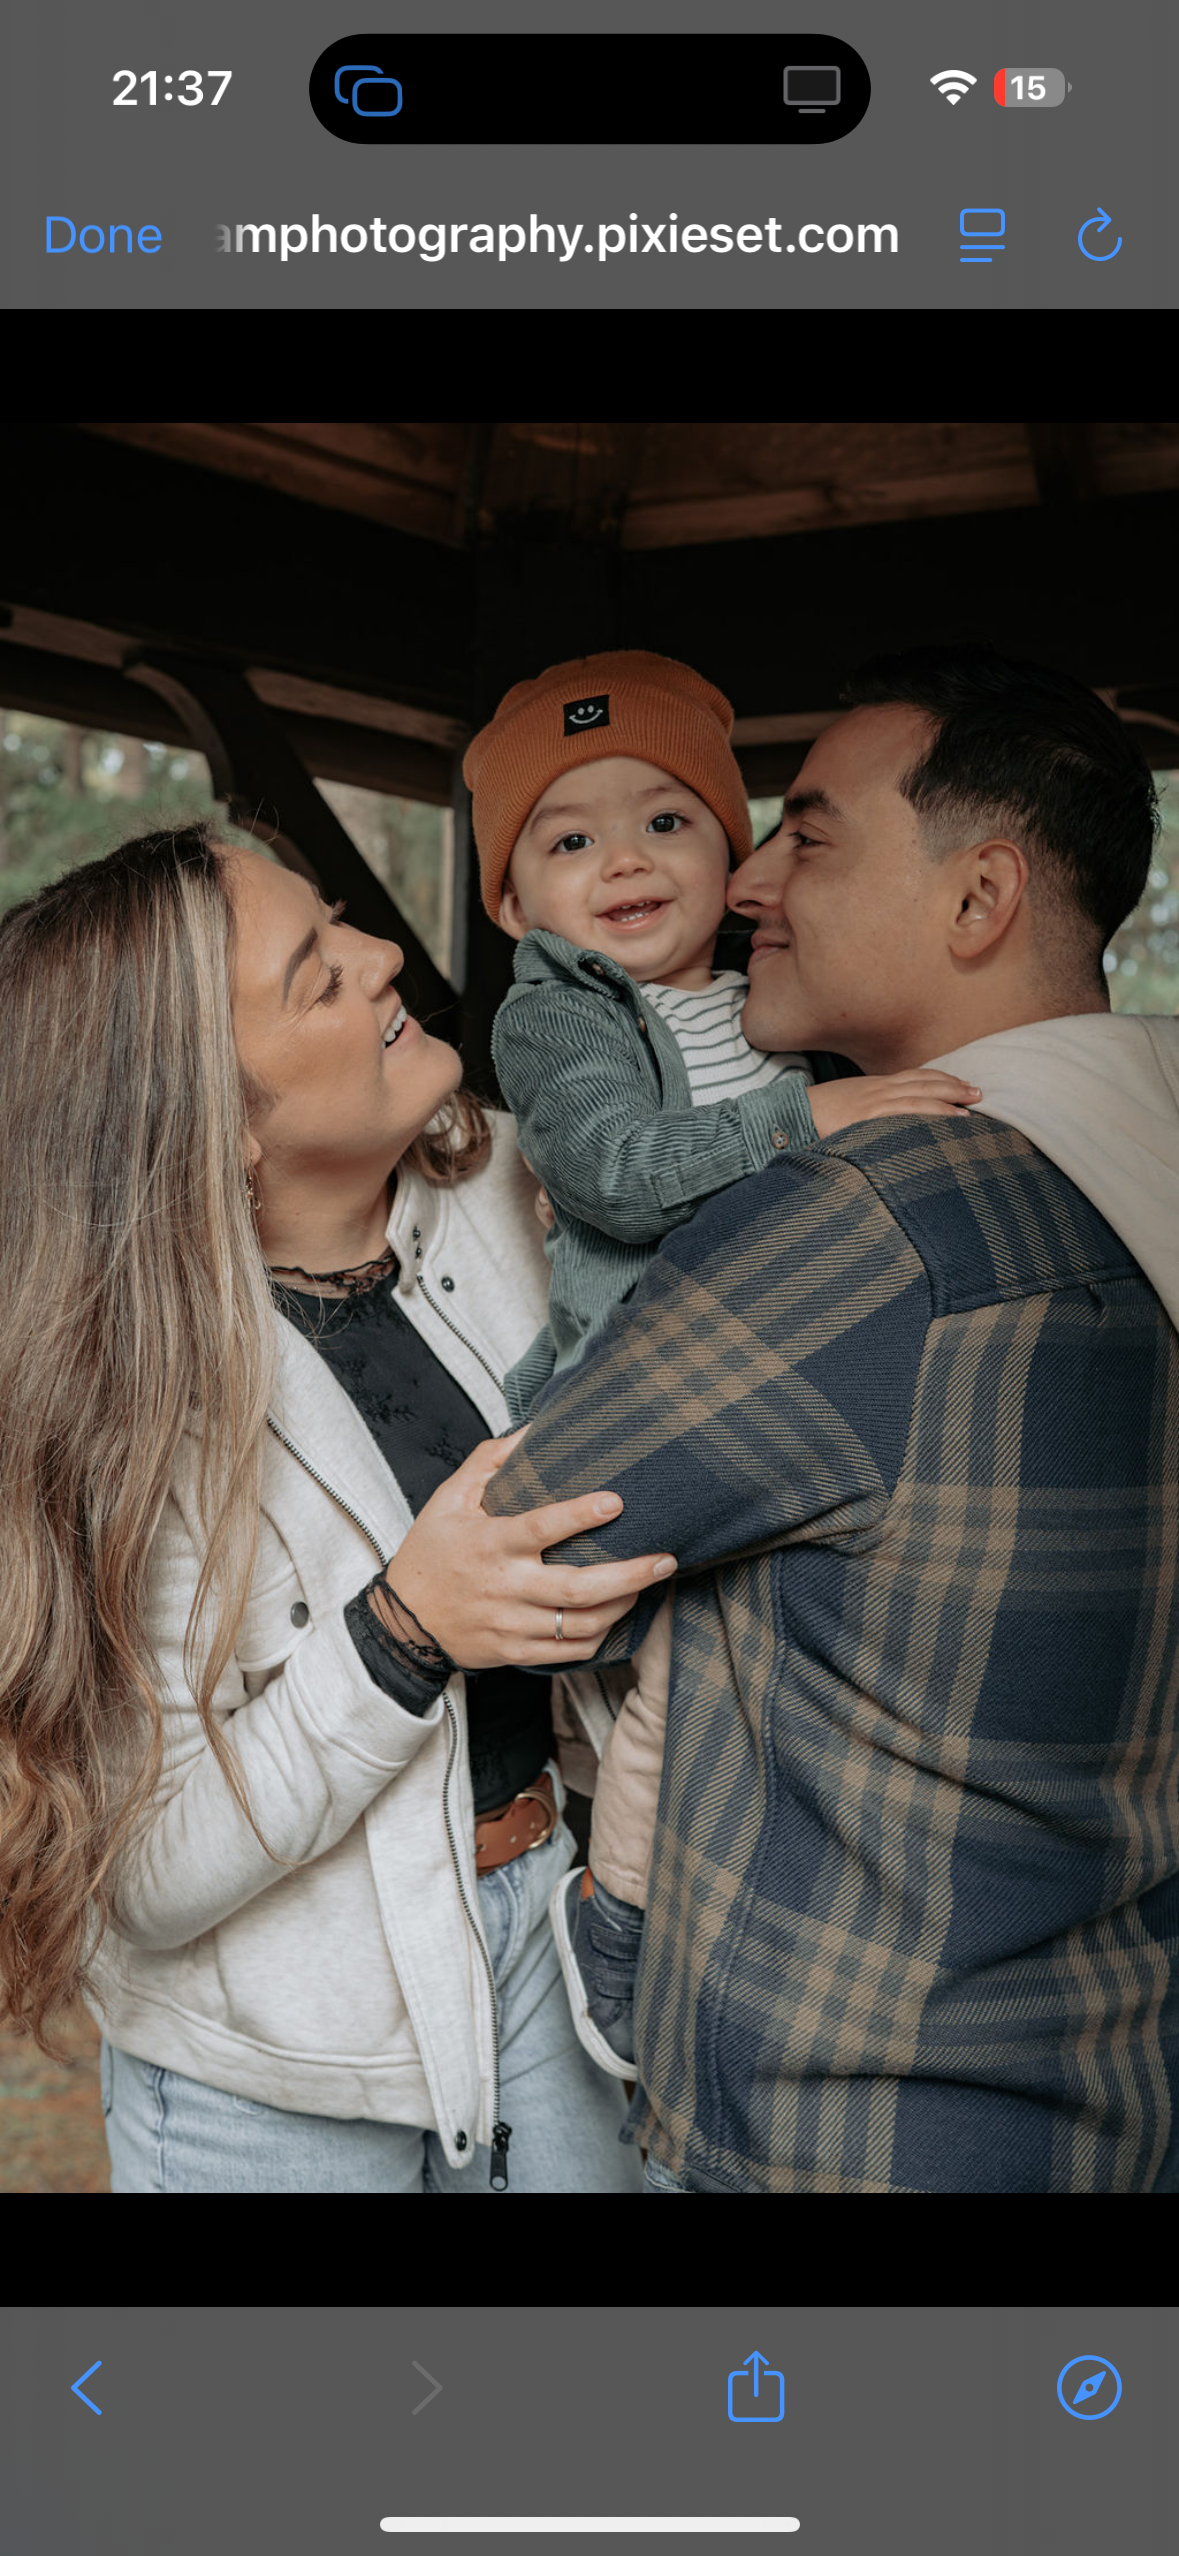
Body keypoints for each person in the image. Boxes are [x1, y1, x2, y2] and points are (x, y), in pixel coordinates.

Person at [478, 641, 1179, 2193]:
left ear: (979, 899)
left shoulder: (872, 1216)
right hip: (1123, 2060)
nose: (742, 885)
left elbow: (528, 1531)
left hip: (852, 2108)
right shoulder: (1141, 1128)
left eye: (804, 837)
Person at [0, 821, 675, 2192]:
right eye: (317, 975)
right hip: (271, 2071)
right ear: (220, 1119)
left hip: (550, 1933)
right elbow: (146, 1874)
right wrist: (402, 1630)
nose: (380, 957)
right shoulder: (116, 1398)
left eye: (340, 920)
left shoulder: (529, 1182)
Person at [463, 649, 980, 2076]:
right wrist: (814, 1121)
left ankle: (745, 1933)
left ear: (734, 854)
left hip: (776, 1391)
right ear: (511, 902)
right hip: (643, 1405)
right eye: (570, 841)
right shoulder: (556, 1015)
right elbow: (617, 1174)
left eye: (665, 820)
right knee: (680, 1689)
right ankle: (619, 1927)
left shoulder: (772, 1001)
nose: (625, 860)